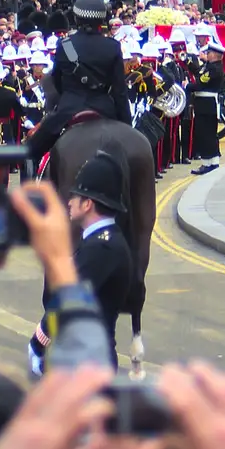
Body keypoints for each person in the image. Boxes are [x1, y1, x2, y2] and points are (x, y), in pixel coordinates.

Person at [28, 150, 134, 375]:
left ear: (87, 205)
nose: (69, 201)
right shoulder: (101, 242)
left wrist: (38, 343)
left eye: (75, 196)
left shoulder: (101, 248)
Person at [25, 0, 131, 166]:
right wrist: (127, 126)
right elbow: (119, 91)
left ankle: (34, 189)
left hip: (69, 109)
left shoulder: (65, 45)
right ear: (102, 20)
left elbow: (57, 81)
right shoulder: (112, 46)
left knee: (31, 151)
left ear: (76, 18)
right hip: (105, 109)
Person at [188, 35, 225, 175]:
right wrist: (189, 64)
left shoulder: (214, 69)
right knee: (208, 133)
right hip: (206, 103)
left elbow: (200, 83)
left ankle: (207, 162)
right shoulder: (211, 66)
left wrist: (188, 86)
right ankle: (212, 161)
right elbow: (199, 73)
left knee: (205, 133)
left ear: (215, 55)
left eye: (209, 53)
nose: (207, 54)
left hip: (206, 104)